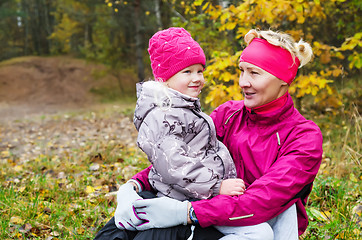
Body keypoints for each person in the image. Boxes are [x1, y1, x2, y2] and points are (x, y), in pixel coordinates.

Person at [95, 28, 323, 239]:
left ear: (283, 80)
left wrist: (185, 212)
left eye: (255, 73)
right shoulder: (229, 114)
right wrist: (135, 186)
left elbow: (260, 202)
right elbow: (181, 157)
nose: (243, 82)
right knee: (123, 225)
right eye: (242, 71)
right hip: (206, 207)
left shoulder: (303, 137)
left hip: (241, 223)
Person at [94, 27, 246, 240]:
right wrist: (216, 186)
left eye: (200, 71)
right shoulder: (163, 116)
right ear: (165, 78)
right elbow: (173, 164)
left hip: (194, 194)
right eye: (187, 72)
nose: (197, 78)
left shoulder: (183, 109)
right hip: (180, 198)